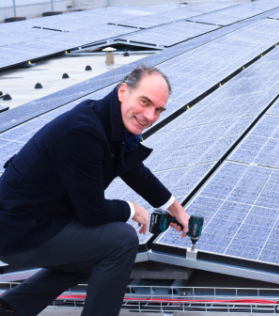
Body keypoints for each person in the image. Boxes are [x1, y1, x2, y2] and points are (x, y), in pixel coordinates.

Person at [0, 64, 190, 316]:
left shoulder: (107, 119)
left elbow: (132, 168)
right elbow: (92, 213)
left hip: (40, 221)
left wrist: (175, 209)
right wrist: (131, 209)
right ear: (124, 91)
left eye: (158, 110)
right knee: (121, 240)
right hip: (20, 232)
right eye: (144, 102)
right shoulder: (83, 132)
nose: (150, 116)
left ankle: (11, 308)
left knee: (99, 259)